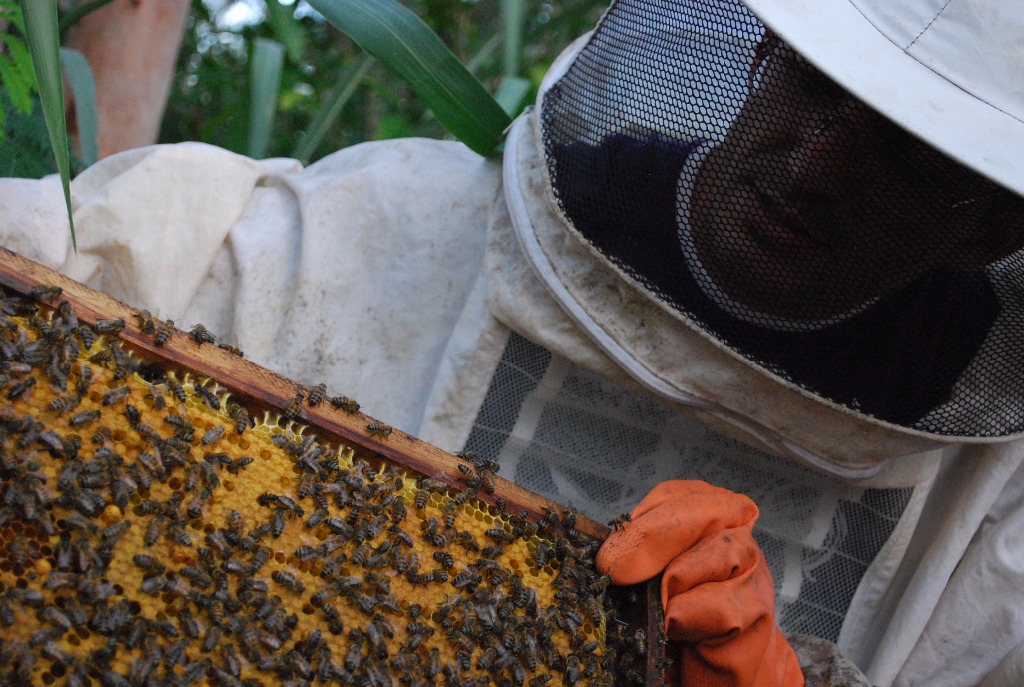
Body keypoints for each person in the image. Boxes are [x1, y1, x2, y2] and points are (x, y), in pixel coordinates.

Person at [3, 0, 1024, 685]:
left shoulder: (995, 516)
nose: (813, 167)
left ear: (990, 225)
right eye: (812, 89)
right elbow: (71, 263)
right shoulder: (385, 230)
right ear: (758, 57)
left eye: (899, 155)